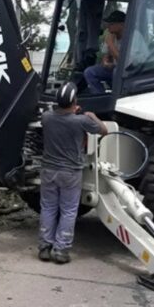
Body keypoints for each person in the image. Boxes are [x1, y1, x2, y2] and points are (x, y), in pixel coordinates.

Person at [39, 81, 107, 264]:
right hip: (70, 172)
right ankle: (61, 250)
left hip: (48, 170)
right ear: (74, 101)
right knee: (68, 211)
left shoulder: (46, 118)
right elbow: (104, 130)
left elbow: (57, 116)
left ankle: (45, 247)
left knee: (48, 208)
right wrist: (92, 116)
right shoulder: (82, 121)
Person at [83, 10, 125, 94]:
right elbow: (106, 55)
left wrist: (110, 44)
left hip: (128, 71)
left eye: (112, 23)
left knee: (116, 72)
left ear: (121, 24)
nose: (108, 26)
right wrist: (106, 63)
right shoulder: (111, 36)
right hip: (114, 68)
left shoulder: (132, 37)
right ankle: (99, 96)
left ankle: (117, 96)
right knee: (89, 72)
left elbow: (124, 61)